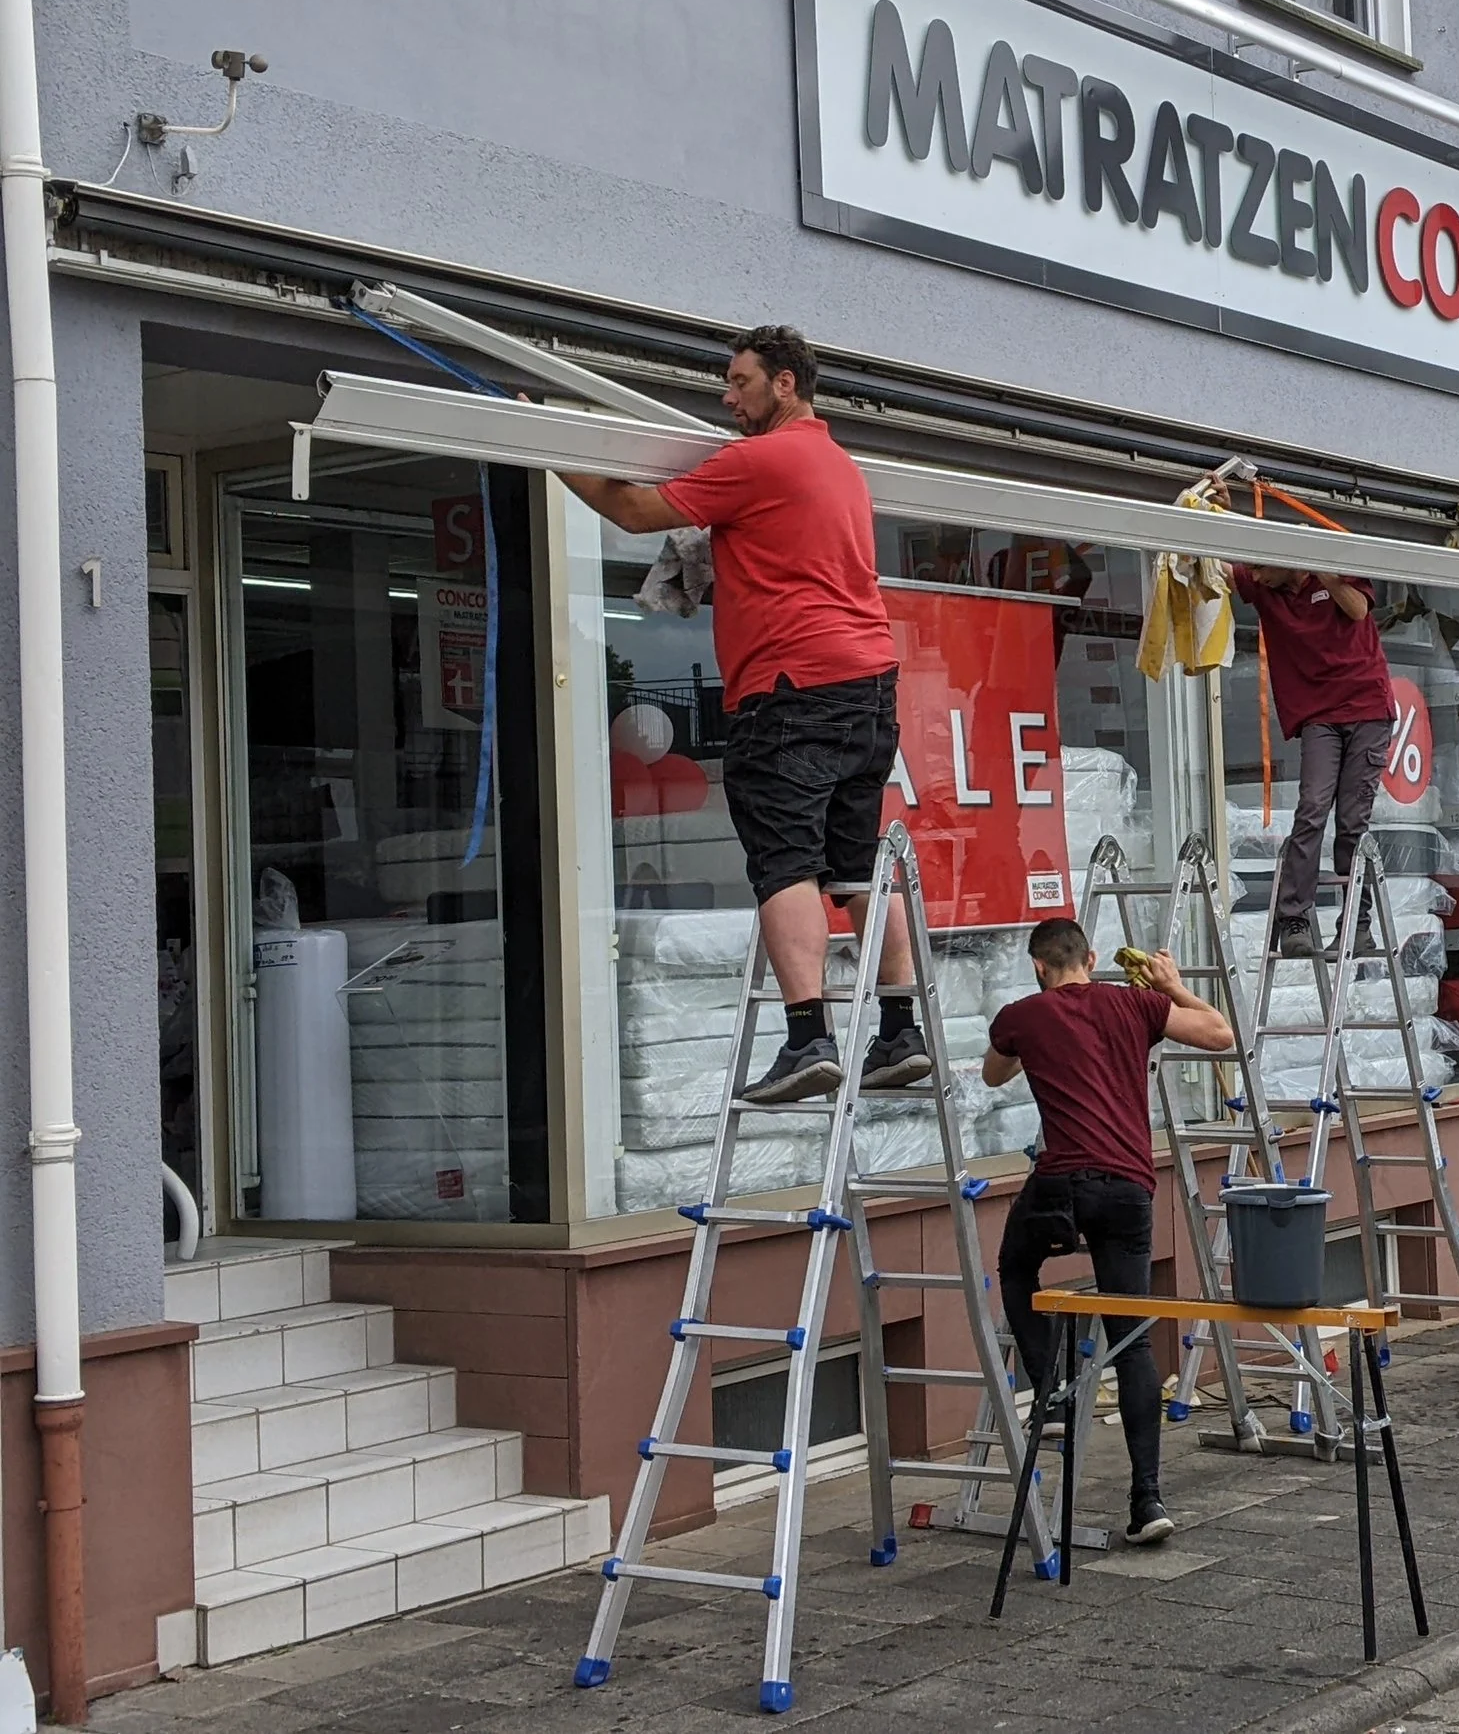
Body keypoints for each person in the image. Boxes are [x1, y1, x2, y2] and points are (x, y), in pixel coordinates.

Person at [556, 324, 929, 1104]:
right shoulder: (839, 466)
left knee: (784, 863)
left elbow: (630, 509)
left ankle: (808, 1037)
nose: (728, 400)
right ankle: (900, 1031)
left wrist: (551, 445)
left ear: (785, 384)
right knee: (856, 867)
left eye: (740, 382)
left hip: (789, 688)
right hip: (868, 688)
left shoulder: (760, 460)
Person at [983, 917, 1234, 1544]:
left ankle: (1052, 1393)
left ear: (1038, 966)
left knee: (1016, 1268)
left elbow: (993, 1074)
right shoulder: (1136, 1005)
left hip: (1059, 1187)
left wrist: (1029, 1041)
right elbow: (1220, 1034)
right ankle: (1147, 1501)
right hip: (1127, 1189)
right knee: (1134, 1341)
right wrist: (1173, 986)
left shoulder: (1023, 1013)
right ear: (1091, 958)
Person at [1234, 565, 1395, 958]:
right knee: (1312, 809)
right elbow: (1219, 565)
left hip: (1366, 708)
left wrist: (1324, 572)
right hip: (1319, 717)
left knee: (1352, 822)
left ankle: (1356, 924)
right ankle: (1295, 919)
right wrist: (1208, 508)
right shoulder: (1265, 588)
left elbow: (1358, 610)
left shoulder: (1332, 570)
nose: (1253, 576)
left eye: (1260, 568)